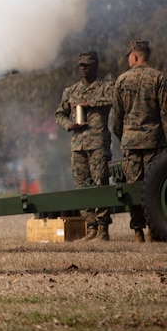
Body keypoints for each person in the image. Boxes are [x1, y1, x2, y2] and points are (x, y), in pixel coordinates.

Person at [54, 51, 114, 241]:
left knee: (100, 184)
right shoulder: (70, 91)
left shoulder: (105, 88)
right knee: (82, 186)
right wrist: (69, 125)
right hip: (78, 146)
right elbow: (59, 114)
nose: (83, 68)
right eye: (80, 65)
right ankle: (91, 228)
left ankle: (103, 229)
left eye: (86, 65)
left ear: (95, 65)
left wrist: (91, 103)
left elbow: (115, 99)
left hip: (97, 144)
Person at [112, 40, 167, 242]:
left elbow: (116, 118)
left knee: (133, 186)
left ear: (134, 56)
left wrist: (124, 137)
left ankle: (137, 231)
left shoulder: (121, 81)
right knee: (152, 188)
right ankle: (154, 230)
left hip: (131, 143)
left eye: (129, 56)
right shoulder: (159, 78)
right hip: (155, 143)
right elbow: (165, 114)